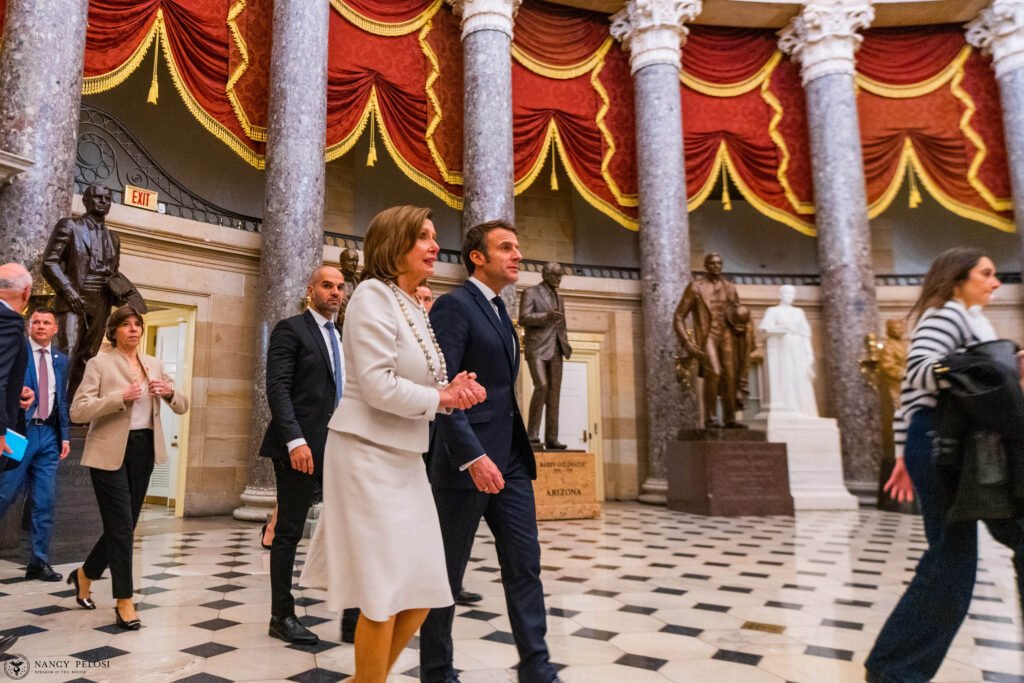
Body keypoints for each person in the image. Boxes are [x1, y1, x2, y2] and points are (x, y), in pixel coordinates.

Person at [300, 206, 485, 682]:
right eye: (422, 236)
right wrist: (440, 395)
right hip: (365, 452)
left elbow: (422, 383)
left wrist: (451, 392)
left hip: (405, 456)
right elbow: (379, 387)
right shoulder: (371, 298)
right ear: (394, 244)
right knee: (381, 594)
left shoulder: (410, 303)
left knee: (426, 587)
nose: (433, 245)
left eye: (433, 236)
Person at [865, 247, 1024, 683]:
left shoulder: (975, 321)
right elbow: (917, 375)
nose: (995, 282)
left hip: (959, 447)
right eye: (986, 274)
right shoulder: (947, 315)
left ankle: (893, 667)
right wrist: (987, 368)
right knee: (951, 563)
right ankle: (894, 669)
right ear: (959, 278)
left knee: (956, 560)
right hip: (943, 444)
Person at [421, 220, 562, 683]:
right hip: (465, 463)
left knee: (525, 564)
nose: (517, 255)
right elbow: (445, 389)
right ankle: (438, 672)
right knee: (448, 574)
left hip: (512, 461)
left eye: (518, 247)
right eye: (506, 247)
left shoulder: (503, 311)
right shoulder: (453, 307)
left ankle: (536, 668)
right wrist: (473, 456)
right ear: (477, 257)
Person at [68, 306, 189, 630]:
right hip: (108, 452)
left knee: (123, 526)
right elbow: (78, 411)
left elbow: (183, 404)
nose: (133, 330)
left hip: (144, 449)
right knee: (122, 527)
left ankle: (84, 574)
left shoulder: (154, 364)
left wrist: (168, 392)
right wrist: (118, 396)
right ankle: (124, 600)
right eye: (126, 325)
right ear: (115, 330)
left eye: (138, 325)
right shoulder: (99, 363)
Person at [259, 265, 359, 645]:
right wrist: (295, 441)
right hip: (301, 449)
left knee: (351, 531)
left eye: (339, 287)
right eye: (327, 286)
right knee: (288, 533)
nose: (335, 292)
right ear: (311, 290)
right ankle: (281, 616)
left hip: (340, 448)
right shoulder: (292, 329)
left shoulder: (343, 336)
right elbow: (278, 389)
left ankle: (351, 619)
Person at [41, 184, 145, 399]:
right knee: (66, 353)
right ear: (86, 201)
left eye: (107, 198)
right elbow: (49, 263)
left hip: (101, 300)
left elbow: (113, 273)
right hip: (74, 297)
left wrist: (122, 293)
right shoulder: (69, 226)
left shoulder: (113, 238)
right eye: (97, 197)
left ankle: (73, 408)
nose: (102, 201)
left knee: (88, 356)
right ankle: (51, 407)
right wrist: (68, 290)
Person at [0, 308, 71, 582]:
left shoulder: (60, 360)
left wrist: (64, 435)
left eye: (46, 323)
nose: (40, 326)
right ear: (29, 326)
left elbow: (61, 399)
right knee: (5, 494)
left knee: (45, 501)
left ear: (55, 329)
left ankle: (39, 562)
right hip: (19, 434)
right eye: (36, 322)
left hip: (49, 438)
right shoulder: (18, 352)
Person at [673, 252, 749, 428]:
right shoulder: (695, 287)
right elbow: (678, 317)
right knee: (714, 372)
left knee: (730, 375)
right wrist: (687, 342)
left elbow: (737, 313)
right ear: (706, 266)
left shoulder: (730, 287)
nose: (716, 266)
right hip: (709, 335)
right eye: (712, 263)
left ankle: (730, 418)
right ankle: (710, 418)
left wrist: (742, 325)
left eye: (719, 263)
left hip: (728, 334)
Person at [519, 262, 572, 449]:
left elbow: (561, 325)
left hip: (556, 348)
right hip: (537, 348)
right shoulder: (531, 293)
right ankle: (532, 435)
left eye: (560, 276)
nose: (559, 279)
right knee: (541, 385)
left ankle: (552, 438)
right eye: (556, 275)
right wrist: (545, 316)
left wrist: (565, 343)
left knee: (554, 394)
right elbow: (523, 318)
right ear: (546, 275)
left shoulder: (560, 298)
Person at [758, 285, 817, 417]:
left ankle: (802, 409)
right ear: (780, 295)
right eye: (787, 293)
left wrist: (809, 354)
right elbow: (763, 327)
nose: (790, 296)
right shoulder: (773, 311)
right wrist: (782, 327)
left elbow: (806, 334)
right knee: (787, 374)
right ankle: (788, 406)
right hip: (783, 347)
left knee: (799, 375)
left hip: (798, 347)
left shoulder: (799, 312)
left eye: (792, 294)